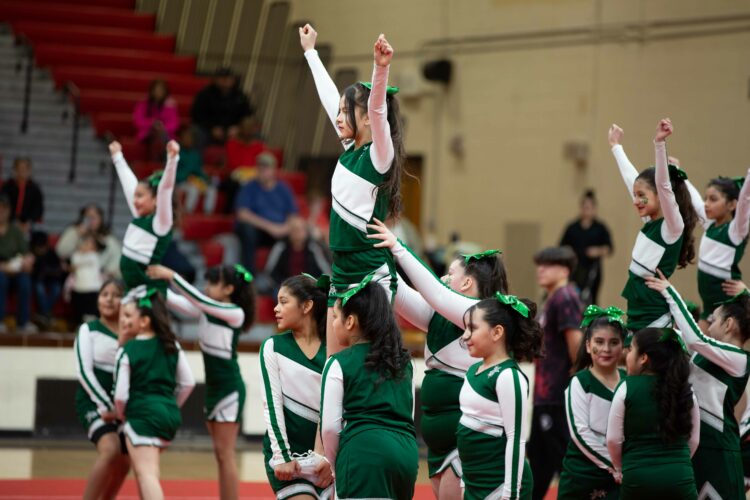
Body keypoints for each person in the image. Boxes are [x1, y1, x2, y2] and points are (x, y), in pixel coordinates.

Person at [368, 217, 508, 498]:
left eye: (449, 273)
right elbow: (392, 289)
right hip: (438, 446)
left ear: (467, 282)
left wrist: (398, 247)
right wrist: (370, 249)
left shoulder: (478, 311)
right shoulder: (441, 314)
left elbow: (436, 293)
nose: (443, 278)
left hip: (466, 443)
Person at [300, 26, 408, 355]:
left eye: (347, 112)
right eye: (341, 110)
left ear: (366, 120)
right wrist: (311, 52)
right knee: (334, 366)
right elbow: (329, 98)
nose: (338, 116)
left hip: (371, 271)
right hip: (341, 268)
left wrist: (380, 68)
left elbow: (377, 109)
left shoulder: (379, 157)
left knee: (367, 364)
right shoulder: (350, 151)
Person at [148, 264, 255, 500]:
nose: (206, 288)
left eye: (212, 283)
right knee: (219, 454)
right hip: (213, 389)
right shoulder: (208, 310)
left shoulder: (234, 313)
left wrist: (172, 275)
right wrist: (150, 286)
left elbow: (198, 300)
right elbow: (176, 301)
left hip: (229, 389)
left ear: (228, 289)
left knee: (226, 455)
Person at [645, 271, 750, 499]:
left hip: (720, 450)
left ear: (729, 324)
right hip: (695, 447)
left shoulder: (740, 358)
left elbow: (695, 338)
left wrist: (668, 290)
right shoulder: (706, 354)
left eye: (713, 319)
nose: (708, 324)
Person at [321, 277, 418, 499]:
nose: (333, 324)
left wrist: (339, 463)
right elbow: (408, 417)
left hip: (363, 454)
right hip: (406, 455)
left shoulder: (338, 363)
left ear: (350, 322)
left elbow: (329, 428)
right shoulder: (404, 361)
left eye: (335, 317)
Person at [608, 120, 699, 335]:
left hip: (653, 316)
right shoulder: (651, 223)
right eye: (635, 195)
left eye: (642, 196)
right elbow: (631, 178)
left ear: (660, 197)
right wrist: (616, 147)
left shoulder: (672, 228)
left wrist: (659, 143)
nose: (635, 200)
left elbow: (664, 186)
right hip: (637, 311)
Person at [457, 294, 543, 500]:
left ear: (497, 332)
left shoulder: (508, 376)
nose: (465, 336)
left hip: (501, 488)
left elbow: (516, 439)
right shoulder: (474, 370)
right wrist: (463, 481)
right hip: (474, 484)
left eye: (473, 328)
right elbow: (466, 425)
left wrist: (510, 494)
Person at [113, 287, 195, 500]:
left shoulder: (129, 350)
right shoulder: (172, 345)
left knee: (146, 474)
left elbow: (120, 396)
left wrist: (121, 415)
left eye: (133, 316)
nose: (127, 320)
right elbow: (188, 383)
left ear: (145, 321)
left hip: (142, 417)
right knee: (147, 473)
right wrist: (171, 406)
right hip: (168, 417)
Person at [258, 274, 333, 499]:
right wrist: (281, 457)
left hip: (327, 461)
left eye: (283, 301)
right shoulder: (273, 346)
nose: (275, 308)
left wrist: (330, 459)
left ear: (307, 305)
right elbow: (272, 405)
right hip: (289, 460)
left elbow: (339, 407)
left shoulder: (333, 348)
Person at [606, 328, 700, 499]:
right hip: (680, 477)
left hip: (637, 478)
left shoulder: (626, 387)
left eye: (631, 350)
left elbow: (613, 439)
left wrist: (620, 468)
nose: (627, 356)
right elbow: (694, 440)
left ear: (643, 358)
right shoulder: (686, 390)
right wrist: (679, 462)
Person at [527, 246, 583, 500]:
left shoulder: (565, 297)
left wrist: (577, 386)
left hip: (556, 397)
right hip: (544, 396)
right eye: (539, 264)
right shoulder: (552, 299)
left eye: (547, 265)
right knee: (539, 465)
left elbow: (576, 344)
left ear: (563, 270)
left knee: (562, 460)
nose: (540, 270)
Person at [557, 305, 627, 500]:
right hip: (582, 475)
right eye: (599, 341)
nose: (606, 349)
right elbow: (580, 432)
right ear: (588, 345)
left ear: (623, 346)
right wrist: (613, 465)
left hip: (620, 475)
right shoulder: (579, 382)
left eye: (614, 342)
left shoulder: (629, 380)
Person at [74, 279, 130, 500]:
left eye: (116, 295)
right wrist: (105, 405)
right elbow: (83, 372)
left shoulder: (131, 332)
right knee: (110, 450)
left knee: (125, 461)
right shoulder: (88, 330)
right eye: (104, 294)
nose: (109, 299)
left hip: (123, 405)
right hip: (94, 402)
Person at [110, 140, 178, 293]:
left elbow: (165, 189)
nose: (135, 200)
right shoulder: (140, 217)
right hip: (133, 289)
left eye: (140, 196)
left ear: (156, 200)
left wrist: (172, 160)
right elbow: (129, 185)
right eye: (135, 196)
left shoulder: (161, 223)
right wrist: (117, 157)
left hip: (149, 293)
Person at [687, 171, 750, 332]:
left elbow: (745, 202)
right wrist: (681, 176)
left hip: (727, 310)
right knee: (697, 353)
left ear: (732, 205)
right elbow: (694, 200)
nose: (706, 203)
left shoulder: (734, 232)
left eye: (713, 199)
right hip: (709, 308)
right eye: (706, 198)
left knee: (718, 354)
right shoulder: (710, 225)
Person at [234, 153, 297, 274]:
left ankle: (286, 277)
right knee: (247, 230)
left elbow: (293, 215)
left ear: (274, 170)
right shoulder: (249, 187)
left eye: (266, 168)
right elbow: (242, 214)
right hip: (258, 230)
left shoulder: (284, 189)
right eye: (260, 167)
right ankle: (249, 276)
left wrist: (284, 228)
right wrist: (270, 227)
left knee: (299, 233)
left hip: (280, 230)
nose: (262, 171)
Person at [559, 189, 613, 305]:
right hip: (574, 270)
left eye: (589, 207)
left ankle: (591, 322)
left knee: (591, 299)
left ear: (594, 209)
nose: (586, 210)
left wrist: (597, 251)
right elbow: (561, 247)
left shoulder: (600, 228)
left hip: (592, 270)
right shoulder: (572, 227)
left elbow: (609, 248)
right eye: (584, 207)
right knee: (573, 298)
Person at [263, 216, 331, 295]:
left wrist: (313, 284)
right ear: (289, 232)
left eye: (300, 230)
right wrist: (283, 285)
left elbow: (326, 271)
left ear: (306, 232)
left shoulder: (313, 247)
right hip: (284, 285)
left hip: (308, 286)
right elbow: (270, 272)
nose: (297, 233)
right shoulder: (280, 246)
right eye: (294, 230)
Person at [190, 67, 254, 146]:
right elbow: (197, 115)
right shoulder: (205, 94)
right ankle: (197, 157)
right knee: (196, 132)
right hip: (209, 130)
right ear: (215, 79)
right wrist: (211, 128)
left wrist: (238, 128)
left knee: (256, 136)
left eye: (228, 78)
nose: (225, 81)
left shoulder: (240, 96)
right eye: (222, 78)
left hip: (234, 131)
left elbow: (247, 115)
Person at [56, 204, 122, 279]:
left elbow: (118, 260)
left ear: (101, 219)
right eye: (88, 217)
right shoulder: (74, 232)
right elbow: (61, 252)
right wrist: (77, 234)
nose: (91, 220)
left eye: (94, 217)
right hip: (75, 278)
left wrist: (107, 274)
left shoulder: (108, 239)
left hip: (99, 280)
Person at [0, 195, 35, 333]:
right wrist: (3, 267)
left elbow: (25, 253)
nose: (1, 212)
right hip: (1, 271)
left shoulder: (15, 231)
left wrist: (27, 261)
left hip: (15, 270)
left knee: (24, 281)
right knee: (1, 280)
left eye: (4, 209)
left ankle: (23, 322)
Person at [133, 79, 180, 161]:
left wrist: (162, 127)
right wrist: (152, 123)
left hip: (166, 135)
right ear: (151, 90)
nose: (159, 92)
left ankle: (159, 162)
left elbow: (174, 124)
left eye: (161, 90)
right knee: (156, 136)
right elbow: (138, 121)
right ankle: (158, 162)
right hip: (147, 135)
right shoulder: (143, 104)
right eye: (156, 89)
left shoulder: (170, 106)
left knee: (161, 135)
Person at [175, 126, 217, 214]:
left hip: (195, 181)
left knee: (212, 190)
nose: (188, 140)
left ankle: (208, 214)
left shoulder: (196, 154)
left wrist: (206, 178)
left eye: (190, 138)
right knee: (193, 190)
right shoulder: (176, 153)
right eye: (186, 137)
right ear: (181, 138)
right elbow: (173, 174)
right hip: (180, 182)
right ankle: (187, 212)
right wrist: (186, 176)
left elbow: (199, 171)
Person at [30, 231, 63, 328]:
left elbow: (58, 270)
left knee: (56, 289)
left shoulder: (52, 253)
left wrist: (47, 271)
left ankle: (43, 314)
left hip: (51, 280)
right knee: (39, 288)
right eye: (38, 248)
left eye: (43, 247)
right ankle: (46, 314)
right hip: (37, 280)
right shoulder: (32, 254)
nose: (41, 250)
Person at [1, 157, 44, 232]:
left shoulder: (35, 189)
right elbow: (4, 205)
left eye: (25, 169)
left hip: (29, 224)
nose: (22, 171)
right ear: (15, 170)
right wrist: (15, 222)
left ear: (29, 171)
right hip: (9, 221)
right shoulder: (7, 187)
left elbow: (38, 209)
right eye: (19, 168)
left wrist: (28, 223)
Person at [70, 234, 103, 326]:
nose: (86, 245)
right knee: (79, 313)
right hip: (79, 288)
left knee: (91, 313)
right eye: (85, 242)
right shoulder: (76, 255)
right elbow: (73, 266)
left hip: (93, 289)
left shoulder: (95, 256)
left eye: (90, 243)